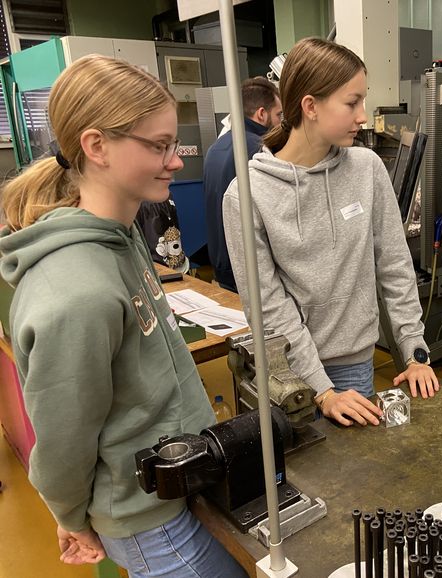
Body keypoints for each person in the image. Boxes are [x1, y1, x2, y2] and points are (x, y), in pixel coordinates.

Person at [0, 55, 248, 578]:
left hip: (178, 478)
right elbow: (64, 434)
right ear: (96, 147)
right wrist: (68, 513)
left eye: (172, 144)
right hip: (145, 515)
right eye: (158, 147)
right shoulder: (76, 292)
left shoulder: (122, 233)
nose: (176, 161)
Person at [223, 37, 439, 427]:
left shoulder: (366, 168)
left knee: (359, 479)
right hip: (292, 375)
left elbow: (394, 264)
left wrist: (414, 350)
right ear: (310, 106)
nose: (362, 116)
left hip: (355, 363)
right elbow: (267, 307)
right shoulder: (247, 194)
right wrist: (321, 390)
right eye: (352, 102)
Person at [204, 76, 282, 291]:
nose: (280, 122)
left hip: (222, 267)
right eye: (278, 115)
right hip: (251, 272)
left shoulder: (216, 147)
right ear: (261, 114)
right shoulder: (260, 149)